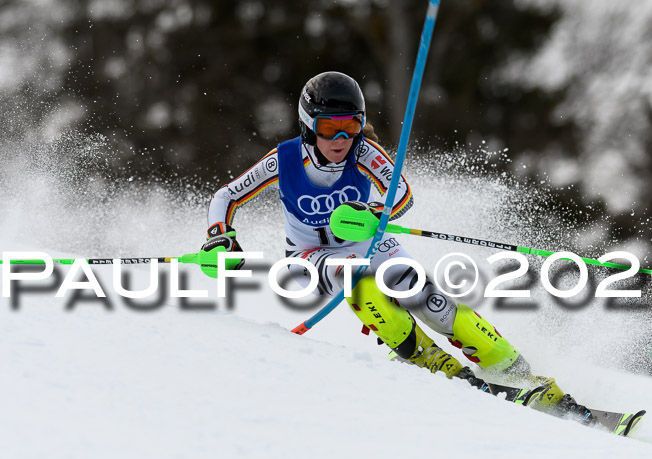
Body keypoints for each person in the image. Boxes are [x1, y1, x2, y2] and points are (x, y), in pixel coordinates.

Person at [201, 71, 590, 418]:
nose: (340, 139)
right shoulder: (284, 160)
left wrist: (373, 211)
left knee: (427, 299)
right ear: (308, 126)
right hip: (310, 257)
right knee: (363, 284)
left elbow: (401, 194)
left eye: (350, 127)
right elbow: (226, 196)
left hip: (368, 240)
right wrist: (220, 236)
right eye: (328, 128)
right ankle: (436, 365)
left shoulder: (364, 153)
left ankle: (517, 373)